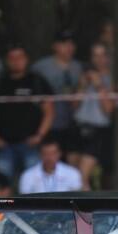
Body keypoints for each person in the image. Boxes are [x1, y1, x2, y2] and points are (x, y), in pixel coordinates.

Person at [0, 44, 55, 182]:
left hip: (31, 144)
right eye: (12, 58)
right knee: (2, 183)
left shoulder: (37, 81)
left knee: (34, 184)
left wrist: (39, 135)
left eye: (20, 57)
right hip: (5, 144)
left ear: (26, 59)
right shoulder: (0, 83)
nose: (16, 61)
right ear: (7, 61)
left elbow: (49, 112)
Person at [32, 31, 83, 162]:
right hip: (48, 124)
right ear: (55, 46)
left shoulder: (78, 67)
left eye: (72, 44)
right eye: (65, 44)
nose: (69, 47)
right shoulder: (41, 67)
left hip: (72, 123)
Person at [73, 42, 114, 189]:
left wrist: (98, 85)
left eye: (102, 55)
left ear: (108, 58)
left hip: (98, 131)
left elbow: (108, 109)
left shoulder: (111, 79)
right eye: (95, 56)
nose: (99, 59)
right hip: (78, 127)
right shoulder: (83, 77)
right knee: (73, 174)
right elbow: (74, 106)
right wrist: (82, 85)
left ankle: (84, 208)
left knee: (81, 176)